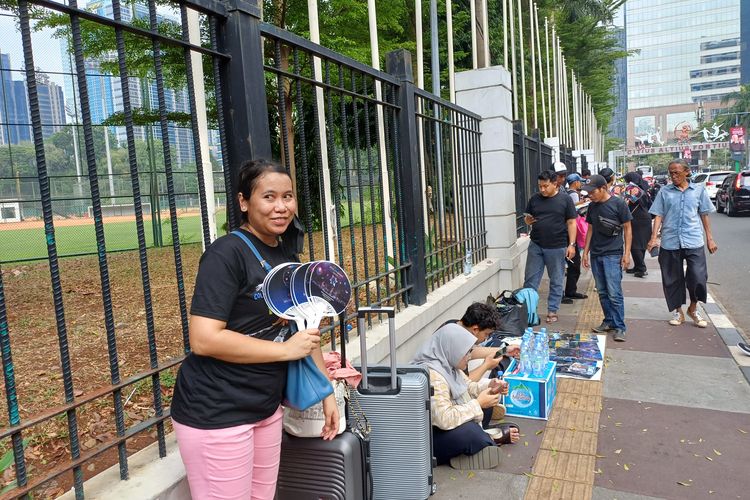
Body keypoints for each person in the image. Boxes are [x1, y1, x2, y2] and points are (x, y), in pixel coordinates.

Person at [170, 159, 339, 499]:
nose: (281, 207)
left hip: (265, 408)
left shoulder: (286, 254)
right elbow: (204, 339)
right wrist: (284, 351)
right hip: (217, 411)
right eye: (269, 197)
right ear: (244, 202)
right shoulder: (225, 254)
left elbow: (305, 331)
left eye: (288, 197)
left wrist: (327, 393)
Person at [412, 324, 520, 470]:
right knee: (471, 431)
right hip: (431, 438)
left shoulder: (448, 363)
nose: (469, 356)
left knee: (485, 408)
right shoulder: (434, 375)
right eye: (467, 352)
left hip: (451, 419)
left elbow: (468, 386)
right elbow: (444, 419)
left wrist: (491, 386)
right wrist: (478, 403)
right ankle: (486, 438)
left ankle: (484, 438)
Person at [647, 159, 718, 328]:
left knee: (698, 277)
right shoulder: (664, 191)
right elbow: (658, 215)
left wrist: (710, 238)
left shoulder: (698, 191)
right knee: (672, 278)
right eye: (671, 173)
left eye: (677, 172)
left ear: (687, 172)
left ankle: (693, 308)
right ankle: (678, 311)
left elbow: (704, 215)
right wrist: (653, 238)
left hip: (693, 239)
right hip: (670, 241)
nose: (673, 176)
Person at [581, 175, 633, 342]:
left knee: (614, 293)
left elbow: (627, 229)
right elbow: (590, 229)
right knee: (602, 292)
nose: (590, 195)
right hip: (596, 254)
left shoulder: (618, 204)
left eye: (592, 192)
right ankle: (609, 320)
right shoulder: (592, 206)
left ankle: (620, 326)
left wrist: (626, 254)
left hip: (613, 254)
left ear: (603, 188)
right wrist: (586, 251)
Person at [523, 170, 578, 323]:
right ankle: (529, 312)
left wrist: (572, 245)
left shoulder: (565, 199)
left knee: (556, 279)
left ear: (555, 184)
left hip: (557, 246)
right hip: (536, 244)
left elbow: (572, 222)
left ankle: (552, 310)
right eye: (540, 186)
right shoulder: (535, 199)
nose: (542, 189)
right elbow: (528, 218)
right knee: (530, 280)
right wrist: (528, 221)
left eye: (545, 186)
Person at [622, 171, 652, 278]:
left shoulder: (632, 190)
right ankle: (638, 267)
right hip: (646, 218)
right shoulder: (644, 188)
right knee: (641, 245)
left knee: (634, 244)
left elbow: (626, 203)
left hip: (637, 220)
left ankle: (641, 268)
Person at [564, 173, 588, 300]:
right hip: (571, 235)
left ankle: (570, 290)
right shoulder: (572, 194)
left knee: (573, 264)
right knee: (574, 264)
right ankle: (570, 291)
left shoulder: (567, 193)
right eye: (579, 181)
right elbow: (573, 212)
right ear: (575, 182)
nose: (581, 183)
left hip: (569, 235)